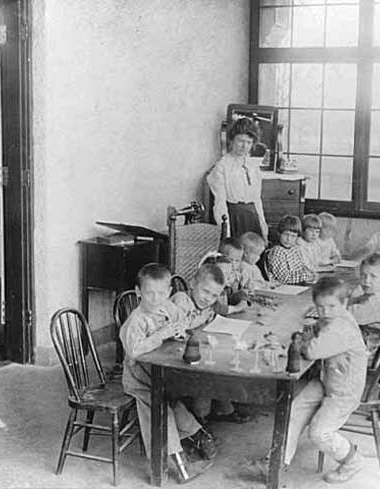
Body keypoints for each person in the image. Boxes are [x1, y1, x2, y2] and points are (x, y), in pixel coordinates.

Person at [253, 277, 368, 483]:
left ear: (344, 304)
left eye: (332, 306)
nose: (325, 312)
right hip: (327, 380)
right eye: (320, 307)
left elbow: (313, 351)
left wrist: (303, 342)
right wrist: (307, 334)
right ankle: (278, 462)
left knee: (320, 433)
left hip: (344, 391)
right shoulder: (330, 320)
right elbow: (312, 330)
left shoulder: (341, 326)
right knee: (293, 410)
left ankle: (353, 460)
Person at [119, 263, 216, 482]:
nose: (155, 299)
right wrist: (162, 334)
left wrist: (179, 331)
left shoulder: (167, 307)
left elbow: (180, 320)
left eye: (161, 293)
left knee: (174, 402)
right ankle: (178, 465)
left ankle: (198, 436)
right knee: (159, 408)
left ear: (169, 292)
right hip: (139, 380)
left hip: (159, 375)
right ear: (138, 292)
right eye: (149, 293)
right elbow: (134, 350)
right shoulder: (136, 320)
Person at [170, 263, 251, 424]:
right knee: (208, 368)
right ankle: (200, 416)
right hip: (171, 354)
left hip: (191, 347)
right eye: (205, 291)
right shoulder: (181, 300)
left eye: (214, 295)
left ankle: (222, 408)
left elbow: (215, 315)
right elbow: (173, 331)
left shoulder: (209, 305)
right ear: (192, 284)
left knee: (221, 358)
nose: (208, 298)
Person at [207, 117, 268, 240]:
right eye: (240, 141)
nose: (244, 146)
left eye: (249, 142)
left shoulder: (253, 166)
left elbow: (257, 200)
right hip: (233, 219)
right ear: (232, 140)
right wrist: (226, 232)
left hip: (252, 219)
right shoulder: (222, 166)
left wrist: (263, 228)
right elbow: (220, 203)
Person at [349, 254, 380, 350]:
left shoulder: (376, 301)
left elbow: (348, 315)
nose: (367, 281)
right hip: (379, 343)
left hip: (373, 349)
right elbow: (359, 300)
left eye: (373, 277)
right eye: (363, 275)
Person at [267, 215, 316, 285]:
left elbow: (302, 266)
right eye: (286, 234)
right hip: (282, 286)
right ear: (279, 233)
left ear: (297, 237)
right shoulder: (277, 251)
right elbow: (284, 278)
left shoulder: (296, 249)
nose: (288, 239)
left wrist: (310, 272)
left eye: (293, 236)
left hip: (296, 283)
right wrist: (306, 275)